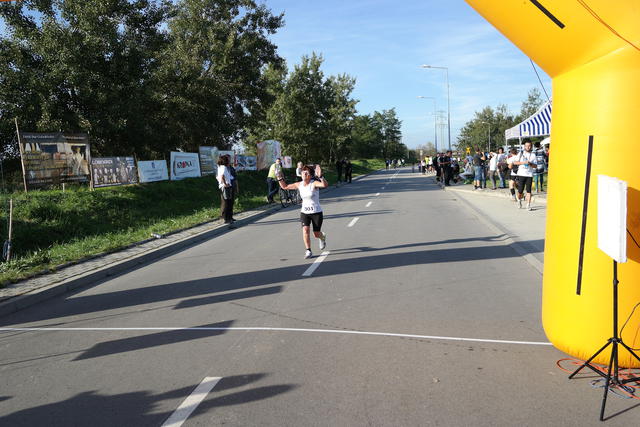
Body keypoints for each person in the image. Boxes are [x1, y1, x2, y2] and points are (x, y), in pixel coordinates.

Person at [277, 164, 329, 259]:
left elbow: (324, 185)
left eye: (306, 173)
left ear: (310, 175)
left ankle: (322, 237)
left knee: (316, 234)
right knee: (305, 230)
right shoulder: (299, 184)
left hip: (316, 212)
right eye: (303, 172)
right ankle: (308, 250)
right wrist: (280, 178)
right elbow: (285, 186)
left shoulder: (314, 183)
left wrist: (321, 176)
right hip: (304, 212)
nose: (304, 174)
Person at [513, 140, 537, 210]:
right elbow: (515, 162)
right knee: (520, 191)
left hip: (529, 175)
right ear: (524, 146)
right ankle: (519, 200)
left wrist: (530, 164)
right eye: (526, 146)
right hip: (521, 174)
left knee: (529, 190)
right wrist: (523, 162)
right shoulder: (521, 153)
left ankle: (528, 205)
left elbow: (535, 166)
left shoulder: (533, 155)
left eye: (529, 146)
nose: (528, 147)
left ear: (531, 146)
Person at [216, 156, 235, 228]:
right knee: (227, 202)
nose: (229, 161)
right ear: (225, 161)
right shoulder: (223, 167)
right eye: (228, 160)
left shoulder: (220, 167)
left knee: (227, 202)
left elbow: (218, 176)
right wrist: (225, 184)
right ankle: (226, 218)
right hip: (225, 187)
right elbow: (222, 176)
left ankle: (227, 218)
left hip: (224, 186)